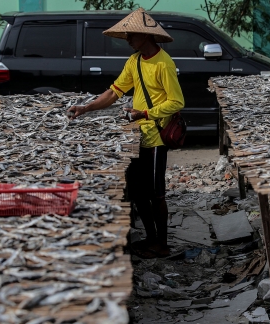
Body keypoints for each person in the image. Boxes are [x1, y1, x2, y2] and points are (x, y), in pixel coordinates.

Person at [68, 7, 185, 258]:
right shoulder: (134, 61)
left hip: (155, 137)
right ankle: (150, 238)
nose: (128, 39)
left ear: (145, 36)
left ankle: (162, 244)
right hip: (136, 137)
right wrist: (86, 108)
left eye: (131, 34)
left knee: (157, 194)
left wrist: (143, 114)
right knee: (138, 192)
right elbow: (114, 92)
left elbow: (177, 102)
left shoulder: (164, 63)